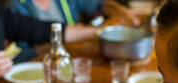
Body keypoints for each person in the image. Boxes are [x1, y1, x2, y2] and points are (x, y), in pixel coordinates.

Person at [8, 0, 141, 62]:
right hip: (43, 66)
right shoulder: (16, 6)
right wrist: (53, 46)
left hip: (73, 58)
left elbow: (98, 4)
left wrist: (120, 11)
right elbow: (18, 55)